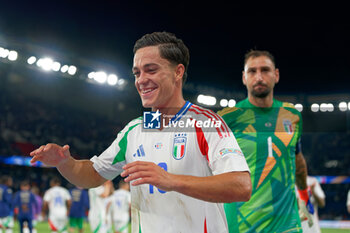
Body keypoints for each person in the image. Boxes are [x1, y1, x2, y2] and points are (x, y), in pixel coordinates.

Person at [30, 31, 252, 233]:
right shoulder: (135, 130)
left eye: (151, 70)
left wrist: (171, 180)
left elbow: (241, 186)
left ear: (178, 72)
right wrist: (65, 162)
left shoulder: (205, 123)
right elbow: (93, 174)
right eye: (137, 73)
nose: (141, 80)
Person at [218, 49, 312, 232]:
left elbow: (298, 160)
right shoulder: (227, 119)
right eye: (252, 71)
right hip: (243, 224)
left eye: (265, 70)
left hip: (287, 224)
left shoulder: (292, 115)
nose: (259, 77)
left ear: (276, 75)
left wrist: (304, 196)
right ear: (244, 77)